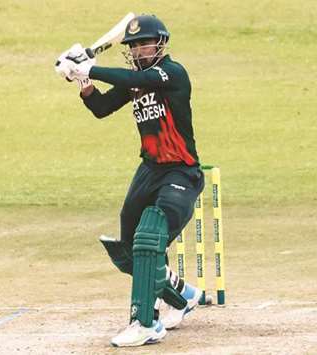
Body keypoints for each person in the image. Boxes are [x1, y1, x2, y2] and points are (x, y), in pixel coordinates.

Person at [55, 14, 205, 347]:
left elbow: (131, 77)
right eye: (134, 46)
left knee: (150, 236)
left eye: (145, 43)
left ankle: (145, 323)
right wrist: (83, 82)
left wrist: (87, 67)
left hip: (180, 170)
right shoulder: (136, 80)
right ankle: (184, 297)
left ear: (160, 44)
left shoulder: (172, 73)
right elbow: (102, 107)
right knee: (130, 251)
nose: (139, 50)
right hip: (150, 169)